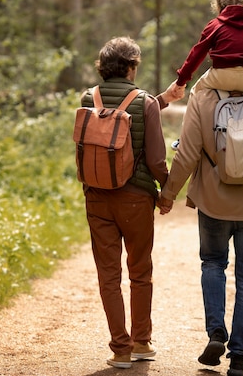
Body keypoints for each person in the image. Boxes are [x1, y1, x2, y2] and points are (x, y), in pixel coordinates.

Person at [156, 87, 243, 376]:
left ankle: (216, 334)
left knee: (212, 264)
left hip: (213, 202)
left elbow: (185, 155)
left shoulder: (202, 100)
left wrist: (168, 193)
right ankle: (239, 358)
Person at [80, 36, 179, 369]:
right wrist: (167, 191)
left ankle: (120, 349)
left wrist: (163, 98)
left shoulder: (87, 98)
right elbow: (155, 159)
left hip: (96, 197)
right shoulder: (144, 101)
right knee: (139, 272)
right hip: (135, 199)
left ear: (103, 66)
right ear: (131, 65)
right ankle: (141, 341)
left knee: (108, 276)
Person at [165, 0, 243, 102]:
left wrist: (181, 82)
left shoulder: (215, 25)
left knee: (196, 93)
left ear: (218, 5)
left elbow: (196, 55)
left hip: (222, 77)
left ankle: (189, 122)